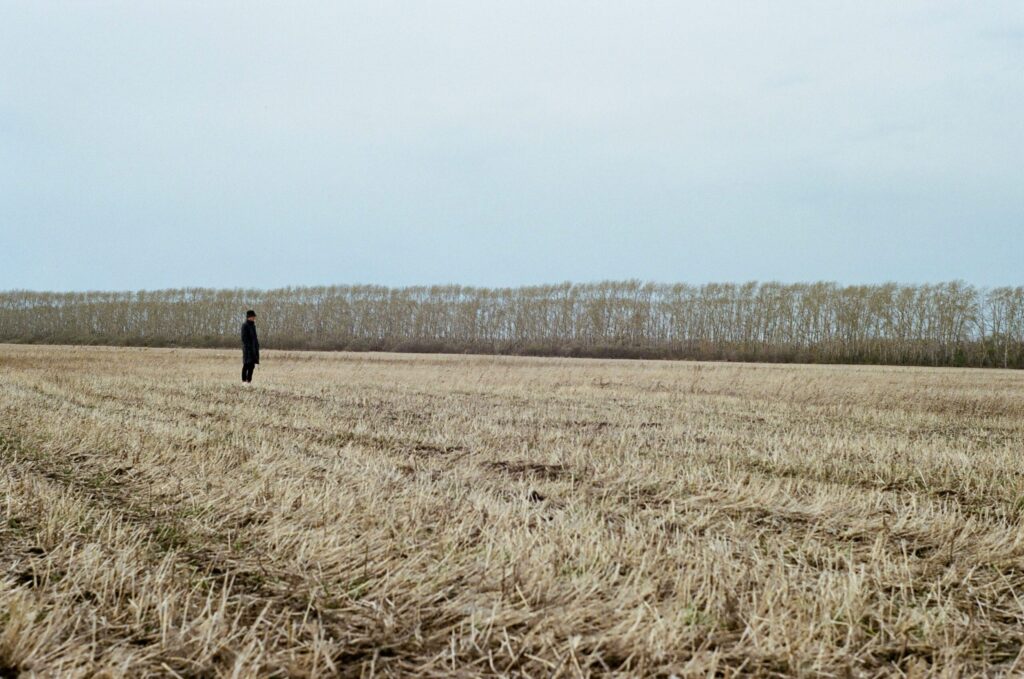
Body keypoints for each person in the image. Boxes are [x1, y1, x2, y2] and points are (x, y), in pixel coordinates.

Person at [241, 309, 260, 383]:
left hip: (254, 349)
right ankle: (243, 381)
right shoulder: (244, 325)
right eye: (253, 317)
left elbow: (255, 338)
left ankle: (249, 381)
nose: (254, 318)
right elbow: (244, 338)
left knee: (252, 366)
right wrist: (248, 348)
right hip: (247, 349)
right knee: (246, 365)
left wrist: (257, 346)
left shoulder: (253, 326)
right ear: (249, 317)